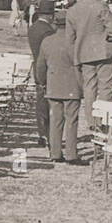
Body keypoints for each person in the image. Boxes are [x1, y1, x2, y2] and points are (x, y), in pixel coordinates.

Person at [65, 0, 112, 137]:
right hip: (104, 54)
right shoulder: (101, 7)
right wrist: (110, 43)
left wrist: (75, 56)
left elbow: (69, 39)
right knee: (105, 88)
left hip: (84, 54)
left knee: (89, 88)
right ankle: (103, 121)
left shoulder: (72, 10)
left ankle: (92, 123)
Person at [34, 11, 86, 165]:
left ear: (55, 24)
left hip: (53, 85)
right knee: (71, 120)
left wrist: (43, 82)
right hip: (72, 86)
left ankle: (55, 152)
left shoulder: (47, 41)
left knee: (56, 120)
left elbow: (40, 66)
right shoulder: (76, 43)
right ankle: (71, 154)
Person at [27, 0, 57, 146]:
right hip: (47, 68)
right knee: (50, 104)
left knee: (40, 102)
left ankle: (41, 133)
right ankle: (49, 134)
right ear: (51, 15)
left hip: (36, 67)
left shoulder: (32, 28)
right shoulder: (48, 31)